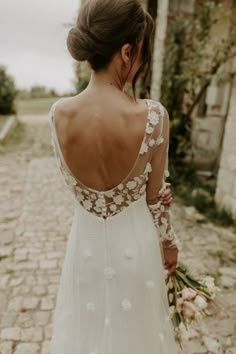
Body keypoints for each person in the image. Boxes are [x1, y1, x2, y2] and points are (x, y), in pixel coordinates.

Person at [49, 0, 179, 353]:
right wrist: (169, 244)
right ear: (126, 51)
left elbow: (78, 187)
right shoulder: (152, 117)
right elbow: (153, 200)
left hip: (85, 250)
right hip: (136, 249)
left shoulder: (59, 114)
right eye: (140, 51)